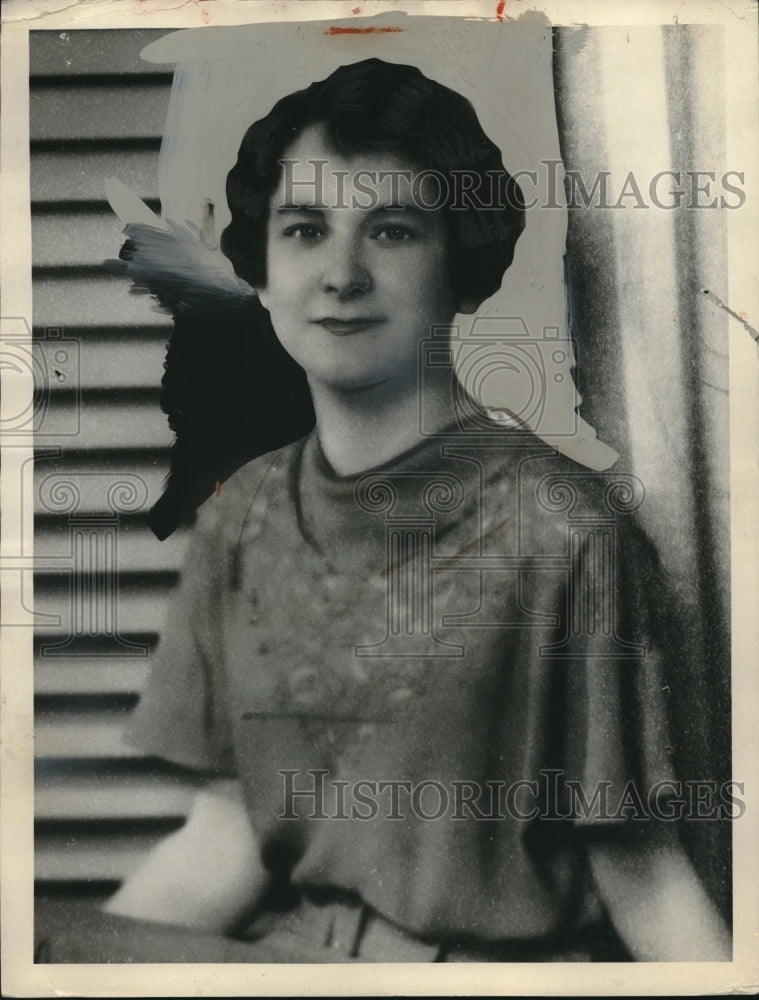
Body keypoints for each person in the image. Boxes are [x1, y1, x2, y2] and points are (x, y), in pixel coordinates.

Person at [41, 58, 731, 963]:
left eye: (393, 230)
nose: (341, 275)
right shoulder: (242, 516)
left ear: (464, 268)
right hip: (289, 966)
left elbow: (640, 872)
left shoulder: (563, 528)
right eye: (303, 230)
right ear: (259, 269)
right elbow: (230, 840)